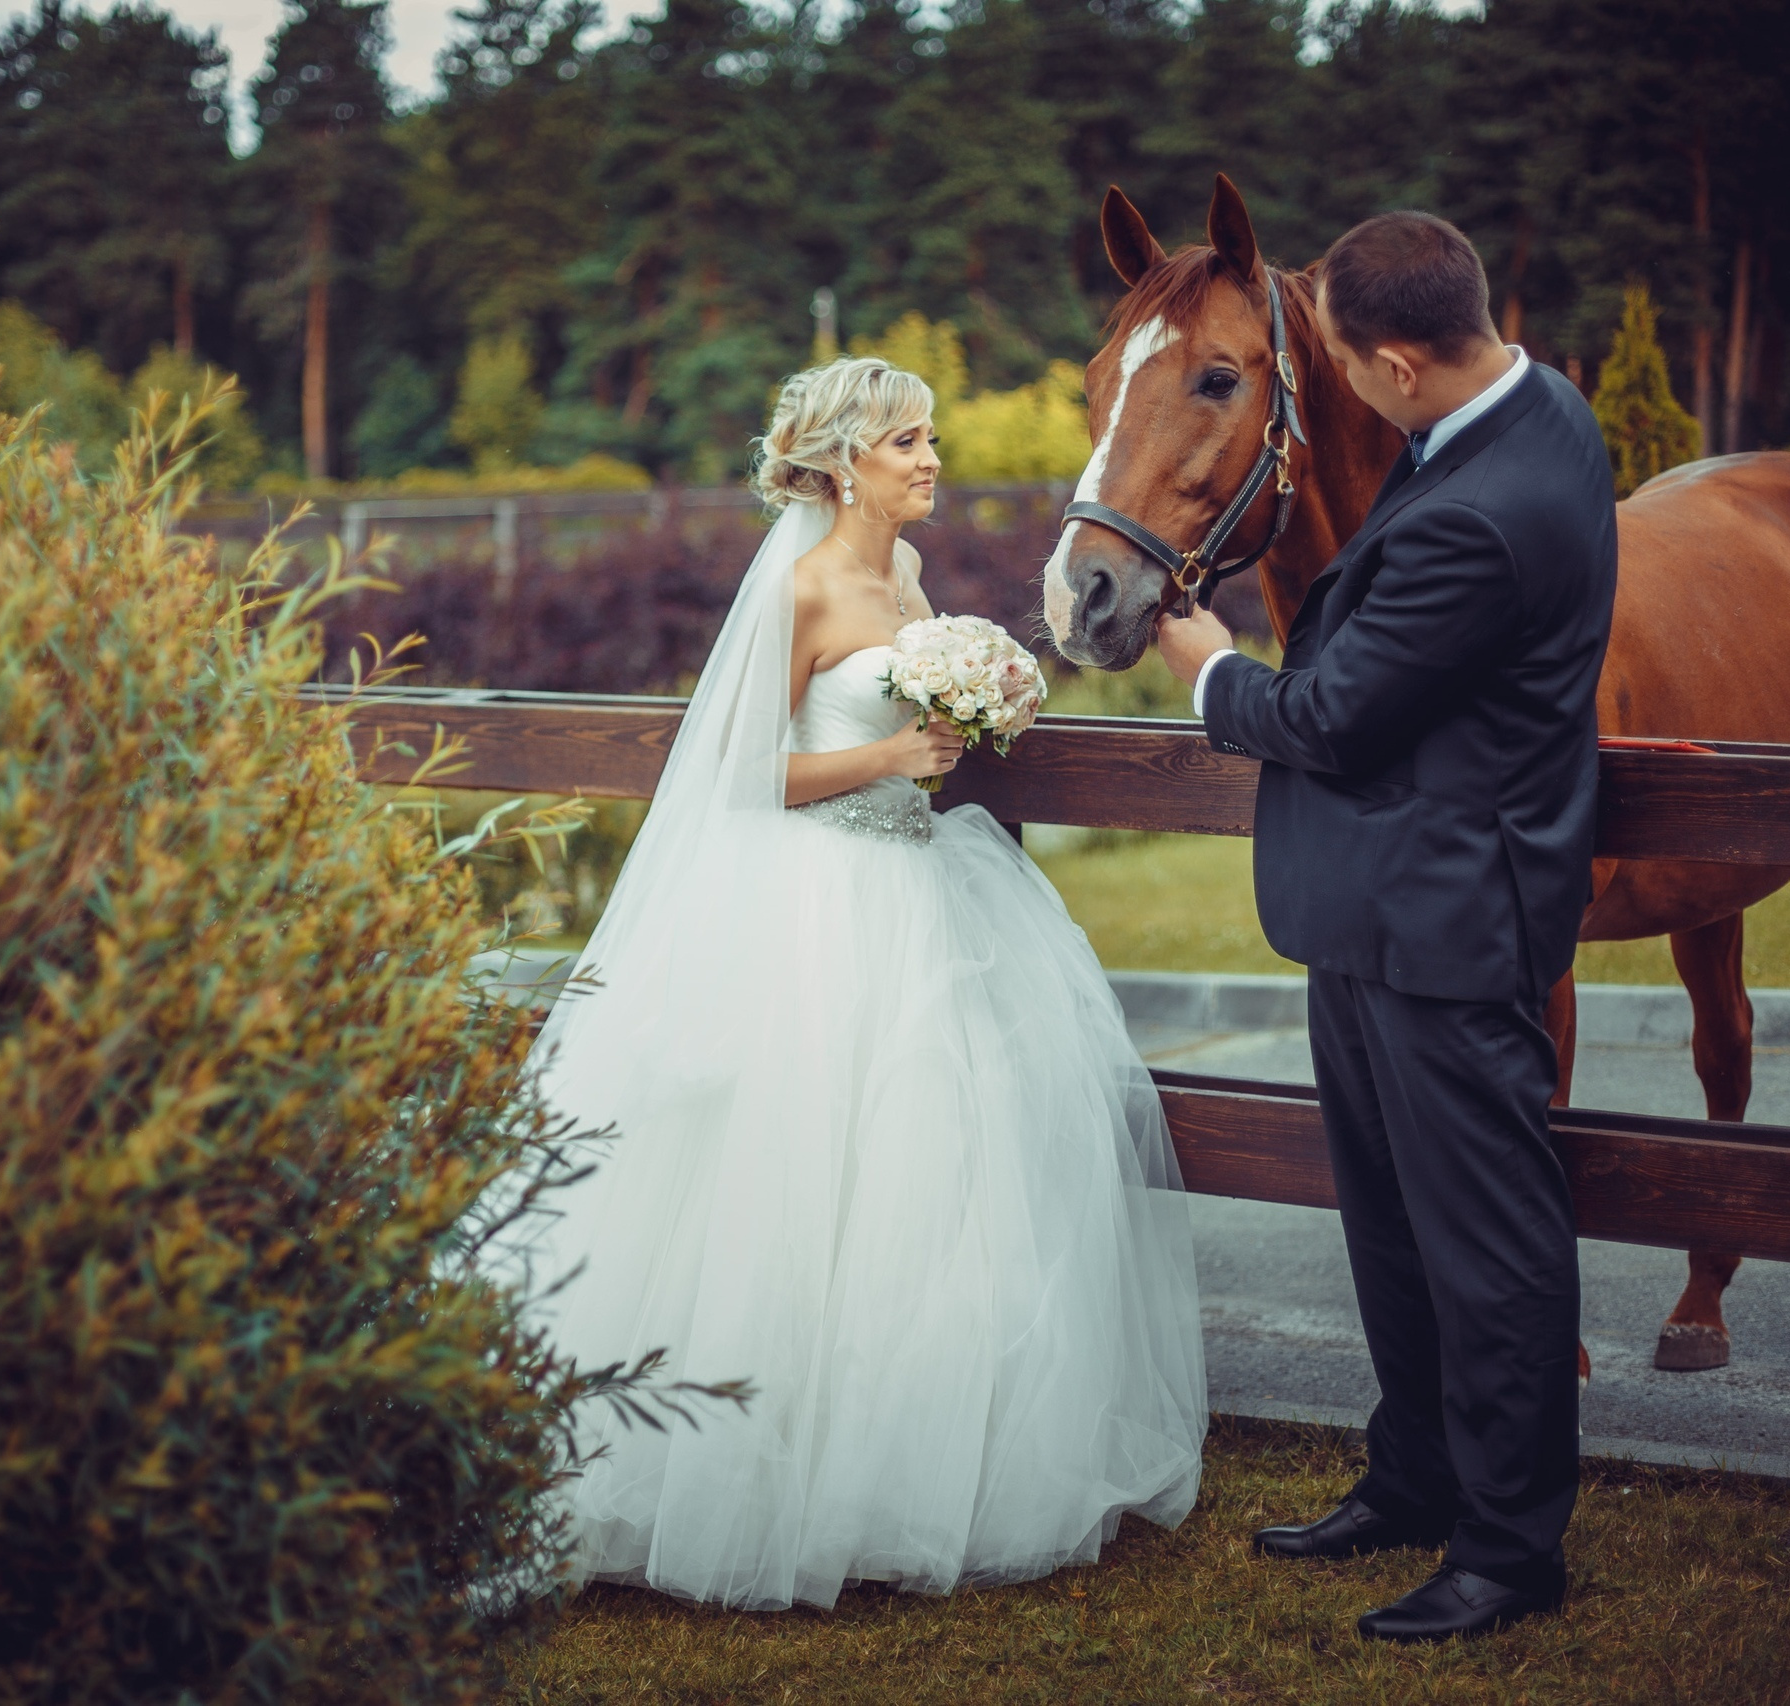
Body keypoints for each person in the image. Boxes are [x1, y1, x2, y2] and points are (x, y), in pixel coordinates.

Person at [507, 356, 1205, 1612]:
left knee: (929, 1171)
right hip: (809, 902)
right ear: (842, 463)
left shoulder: (910, 576)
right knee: (792, 1176)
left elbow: (915, 722)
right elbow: (740, 773)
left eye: (929, 435)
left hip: (917, 883)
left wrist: (972, 720)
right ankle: (747, 1466)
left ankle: (905, 1448)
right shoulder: (806, 582)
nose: (930, 457)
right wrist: (888, 751)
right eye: (905, 441)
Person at [1152, 211, 1618, 1642]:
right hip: (1379, 910)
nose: (1347, 387)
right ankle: (1412, 1473)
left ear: (1406, 362)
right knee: (1394, 1231)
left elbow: (1331, 718)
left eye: (1353, 365)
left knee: (1488, 1249)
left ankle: (1508, 1546)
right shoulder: (1520, 416)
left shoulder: (1484, 513)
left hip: (1446, 918)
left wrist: (1212, 668)